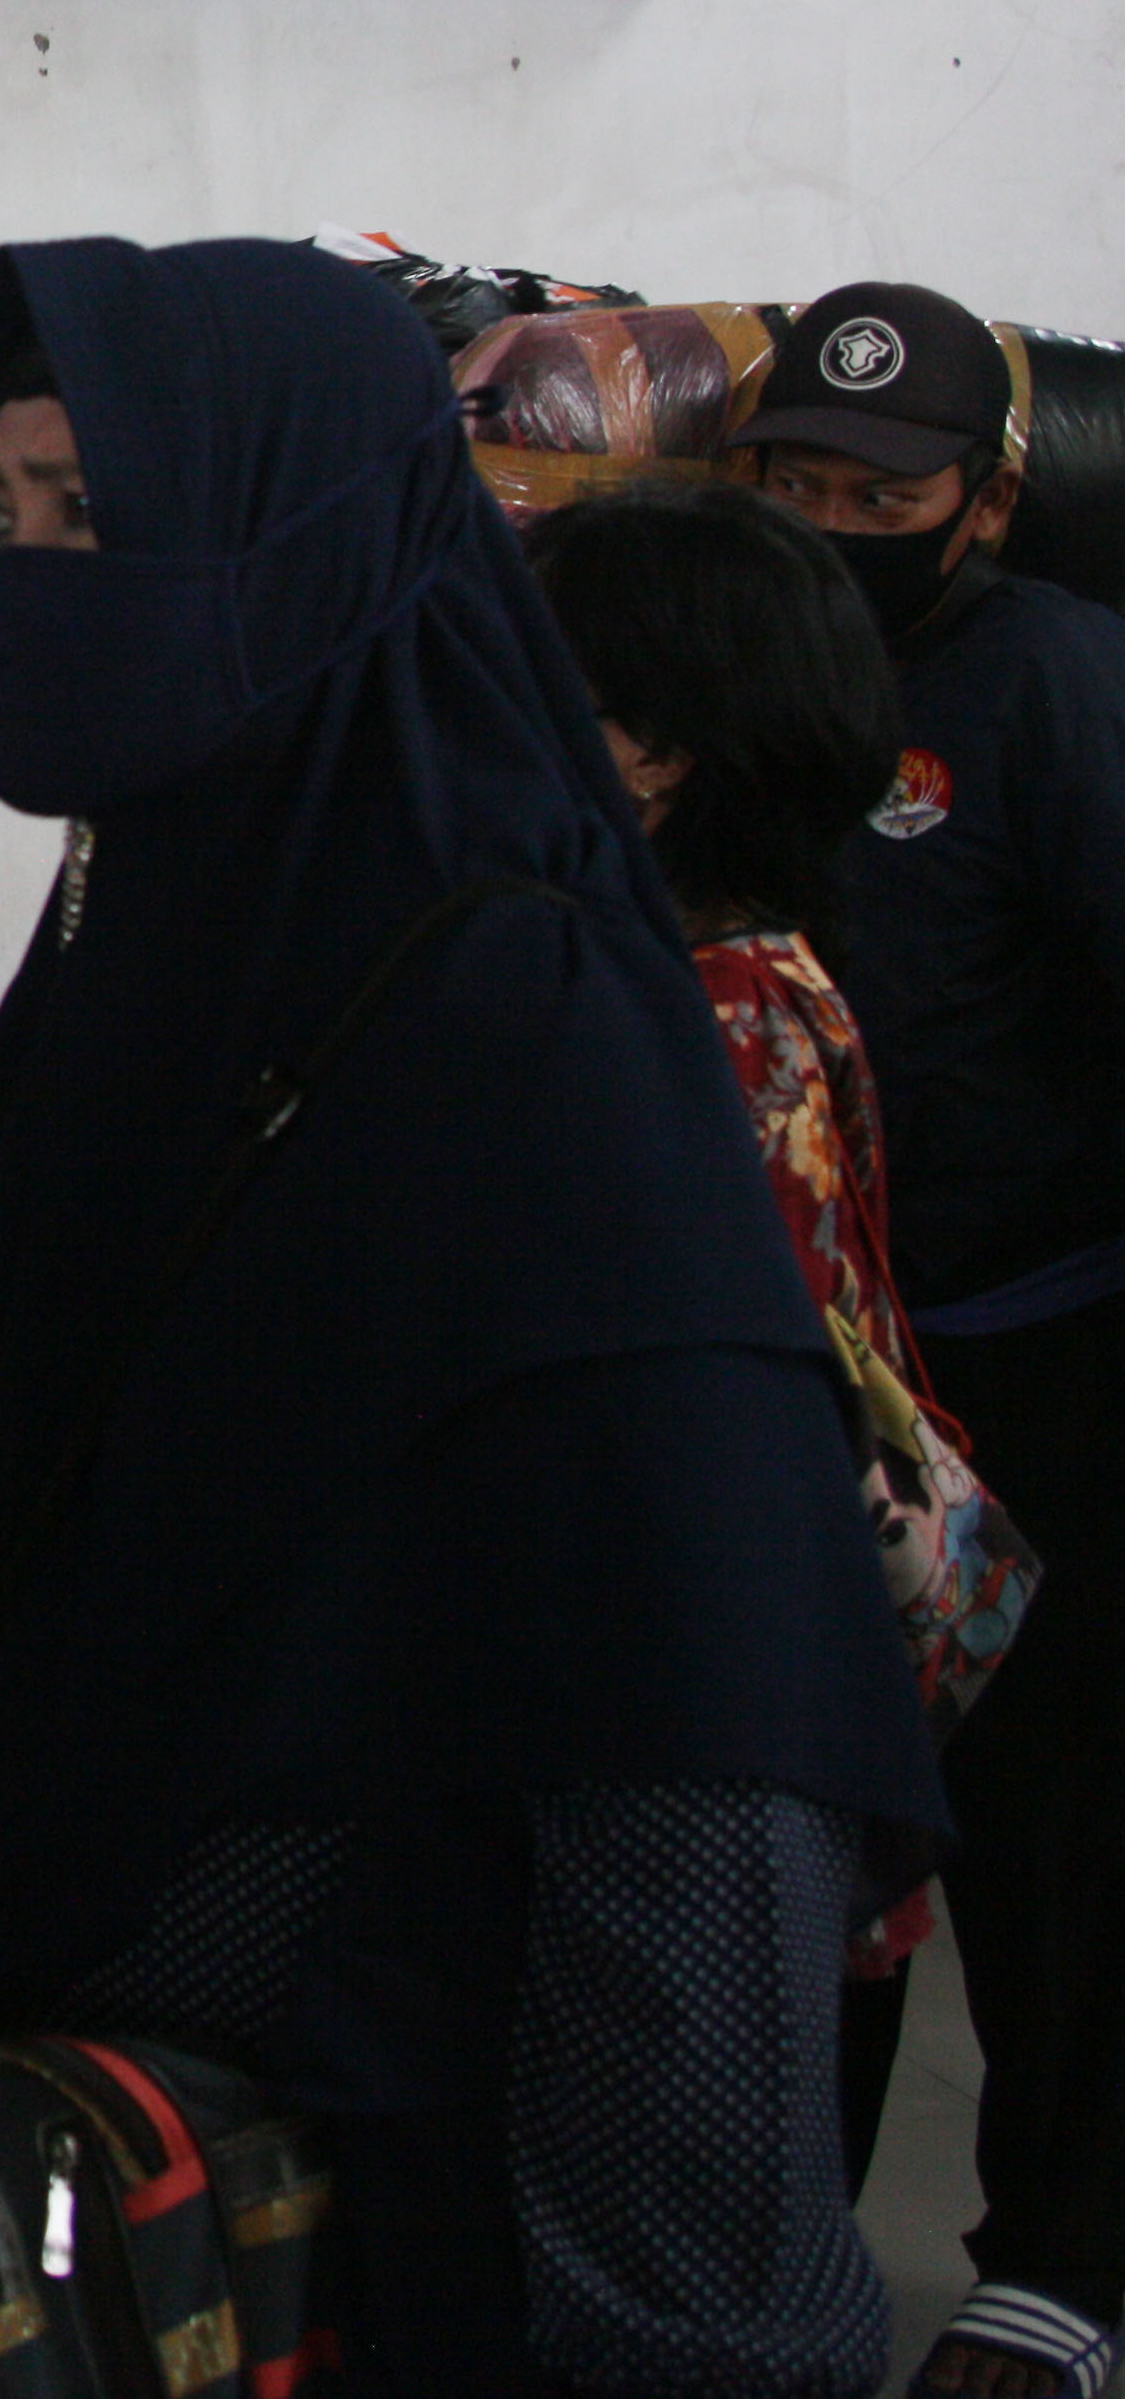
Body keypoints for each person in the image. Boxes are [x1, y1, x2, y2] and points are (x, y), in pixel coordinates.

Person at [0, 240, 944, 2397]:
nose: (30, 573)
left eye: (90, 505)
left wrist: (684, 2340)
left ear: (315, 531)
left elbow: (684, 1731)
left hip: (432, 2222)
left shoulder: (511, 1016)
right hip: (118, 2179)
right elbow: (98, 1539)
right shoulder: (153, 963)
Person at [733, 280, 1125, 2399]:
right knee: (808, 1831)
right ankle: (777, 2232)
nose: (830, 517)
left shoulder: (1050, 685)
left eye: (875, 489)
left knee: (1050, 1843)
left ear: (977, 503)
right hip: (801, 1381)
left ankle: (1059, 2258)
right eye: (792, 477)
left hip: (1033, 1353)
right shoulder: (728, 671)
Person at [524, 480, 993, 2174]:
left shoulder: (698, 1028)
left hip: (702, 1752)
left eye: (530, 680)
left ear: (652, 753)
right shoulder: (754, 974)